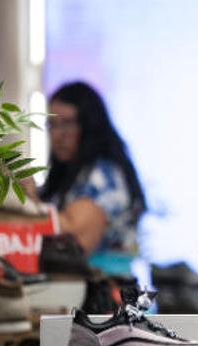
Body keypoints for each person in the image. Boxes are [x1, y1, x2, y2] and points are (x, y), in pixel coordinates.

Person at [39, 81, 146, 266]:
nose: (57, 135)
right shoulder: (69, 174)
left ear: (90, 125)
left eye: (67, 123)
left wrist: (26, 203)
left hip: (103, 288)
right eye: (52, 125)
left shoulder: (104, 176)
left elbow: (75, 240)